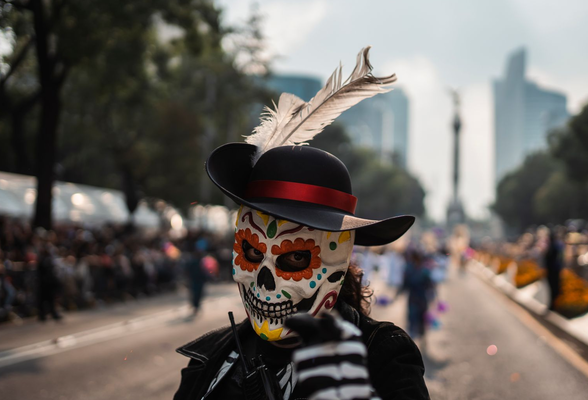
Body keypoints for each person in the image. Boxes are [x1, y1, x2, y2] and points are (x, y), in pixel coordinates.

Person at [173, 47, 429, 400]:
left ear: (335, 263)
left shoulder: (383, 355)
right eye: (251, 251)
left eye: (294, 258)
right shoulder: (211, 360)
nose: (265, 278)